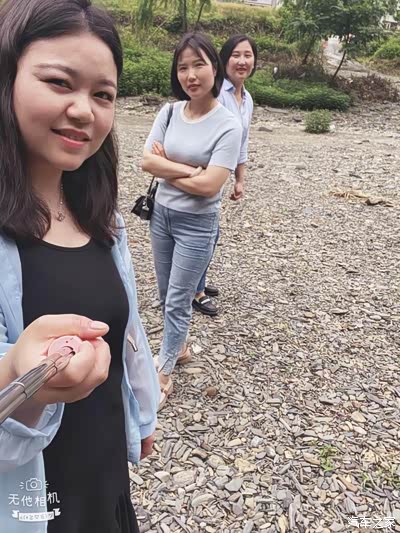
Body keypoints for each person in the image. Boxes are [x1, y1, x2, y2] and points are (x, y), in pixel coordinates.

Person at [0, 1, 159, 532]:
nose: (84, 111)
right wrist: (21, 371)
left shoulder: (102, 217)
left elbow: (127, 327)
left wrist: (142, 412)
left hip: (103, 469)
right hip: (27, 499)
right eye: (59, 83)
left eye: (102, 95)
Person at [141, 33, 242, 409]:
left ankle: (164, 372)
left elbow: (210, 186)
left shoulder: (228, 125)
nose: (191, 75)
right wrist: (188, 169)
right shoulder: (169, 112)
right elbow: (147, 161)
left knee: (178, 300)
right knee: (165, 294)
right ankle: (180, 347)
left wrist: (168, 166)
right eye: (183, 67)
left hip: (197, 224)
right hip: (161, 217)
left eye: (199, 64)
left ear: (215, 67)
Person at [193, 34, 258, 316]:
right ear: (223, 60)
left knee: (211, 232)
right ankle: (195, 292)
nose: (242, 61)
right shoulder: (217, 93)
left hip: (220, 175)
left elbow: (242, 141)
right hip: (203, 173)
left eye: (248, 55)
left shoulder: (247, 99)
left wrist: (240, 178)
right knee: (204, 233)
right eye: (236, 55)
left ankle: (198, 281)